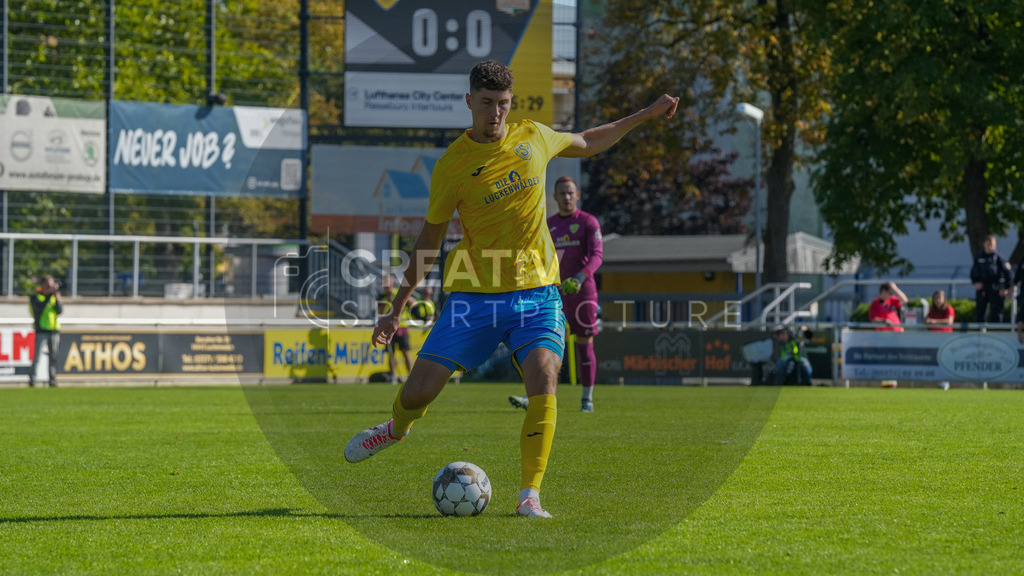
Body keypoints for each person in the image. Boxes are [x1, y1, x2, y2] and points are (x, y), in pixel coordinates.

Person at [343, 60, 679, 519]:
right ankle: (396, 429)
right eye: (486, 104)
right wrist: (396, 308)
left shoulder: (534, 137)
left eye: (503, 104)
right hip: (474, 298)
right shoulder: (452, 166)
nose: (495, 113)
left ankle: (529, 495)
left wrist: (643, 115)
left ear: (511, 103)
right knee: (419, 392)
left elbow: (589, 140)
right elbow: (428, 243)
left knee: (543, 378)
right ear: (469, 102)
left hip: (537, 293)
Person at [509, 176, 603, 413]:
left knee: (584, 345)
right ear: (555, 197)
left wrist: (580, 278)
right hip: (552, 297)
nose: (567, 197)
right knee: (544, 346)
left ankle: (587, 399)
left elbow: (597, 256)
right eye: (562, 193)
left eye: (571, 193)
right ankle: (535, 397)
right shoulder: (547, 225)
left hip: (583, 295)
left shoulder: (588, 222)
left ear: (577, 195)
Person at [868, 282, 908, 388]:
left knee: (895, 358)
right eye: (889, 292)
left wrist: (895, 289)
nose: (891, 294)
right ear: (883, 291)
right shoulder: (875, 303)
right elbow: (873, 319)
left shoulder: (891, 300)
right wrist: (884, 321)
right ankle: (887, 382)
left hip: (896, 334)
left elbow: (904, 300)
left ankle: (893, 381)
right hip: (883, 335)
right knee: (886, 358)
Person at [28, 274, 63, 388]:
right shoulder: (35, 296)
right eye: (48, 285)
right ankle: (32, 380)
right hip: (41, 330)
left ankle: (52, 380)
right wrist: (49, 295)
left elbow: (59, 310)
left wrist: (57, 297)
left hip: (53, 330)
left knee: (53, 358)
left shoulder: (54, 296)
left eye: (52, 285)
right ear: (42, 285)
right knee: (37, 357)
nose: (51, 287)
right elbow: (39, 309)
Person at [377, 275, 412, 384]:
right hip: (388, 329)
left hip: (401, 327)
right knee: (391, 354)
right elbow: (379, 311)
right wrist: (387, 300)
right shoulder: (382, 297)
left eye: (387, 283)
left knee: (405, 352)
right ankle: (393, 376)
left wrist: (398, 299)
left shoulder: (398, 293)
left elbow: (412, 302)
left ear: (392, 284)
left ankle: (411, 376)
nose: (386, 286)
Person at [970, 235, 1012, 324]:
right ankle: (981, 334)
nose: (990, 247)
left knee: (996, 314)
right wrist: (975, 282)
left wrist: (1005, 288)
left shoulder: (999, 258)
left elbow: (1009, 274)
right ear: (984, 245)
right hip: (983, 289)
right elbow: (973, 273)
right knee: (980, 313)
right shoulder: (979, 258)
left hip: (996, 289)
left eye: (992, 244)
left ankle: (995, 333)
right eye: (988, 244)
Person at [924, 289, 954, 390]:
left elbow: (949, 321)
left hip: (945, 340)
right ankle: (940, 381)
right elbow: (926, 321)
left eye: (939, 298)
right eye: (935, 298)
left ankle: (945, 381)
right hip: (934, 340)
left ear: (944, 299)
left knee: (945, 361)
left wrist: (934, 322)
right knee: (935, 361)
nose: (937, 300)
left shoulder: (948, 309)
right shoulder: (932, 311)